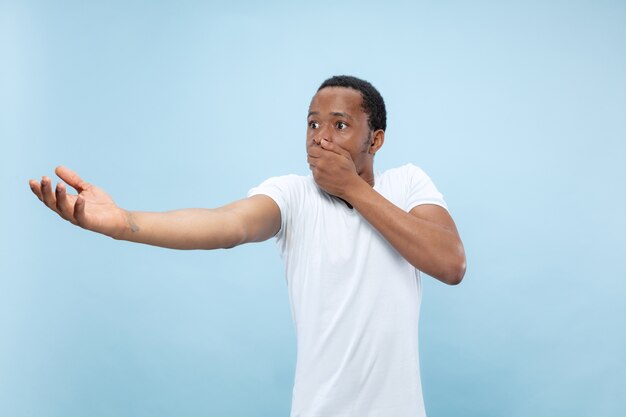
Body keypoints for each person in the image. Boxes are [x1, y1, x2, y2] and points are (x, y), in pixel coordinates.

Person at [29, 75, 466, 417]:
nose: (320, 136)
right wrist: (124, 223)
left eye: (340, 125)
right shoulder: (293, 195)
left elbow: (450, 263)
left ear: (376, 139)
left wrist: (352, 188)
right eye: (313, 123)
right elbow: (225, 224)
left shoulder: (407, 183)